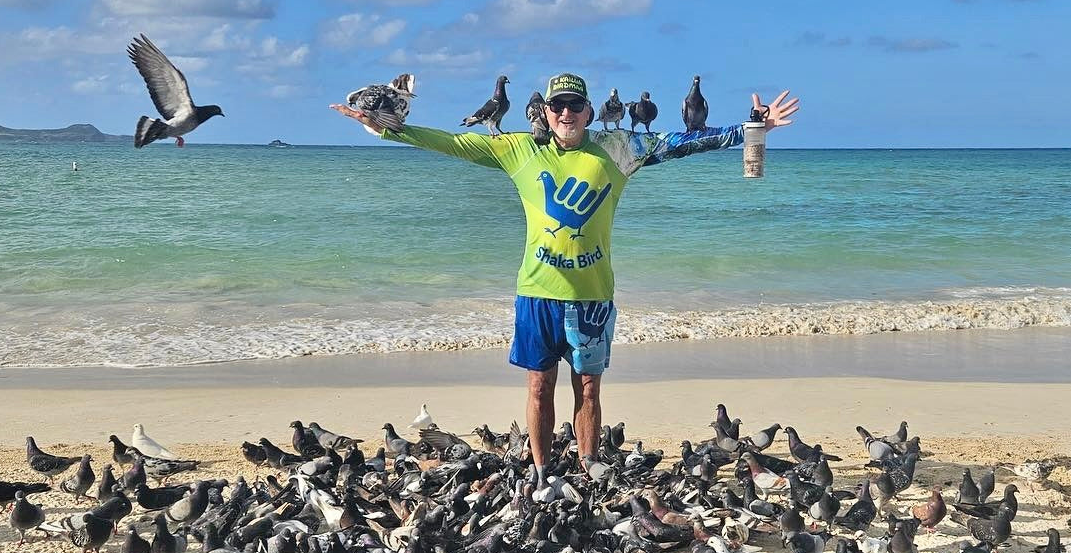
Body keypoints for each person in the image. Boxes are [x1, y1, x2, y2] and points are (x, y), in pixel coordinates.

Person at [331, 73, 799, 468]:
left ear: (590, 112)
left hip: (593, 296)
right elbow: (451, 142)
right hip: (537, 293)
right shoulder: (518, 151)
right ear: (546, 113)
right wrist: (389, 129)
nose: (566, 114)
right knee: (539, 388)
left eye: (575, 105)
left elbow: (685, 142)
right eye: (557, 106)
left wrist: (750, 129)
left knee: (589, 390)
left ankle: (589, 466)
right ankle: (540, 472)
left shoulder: (619, 148)